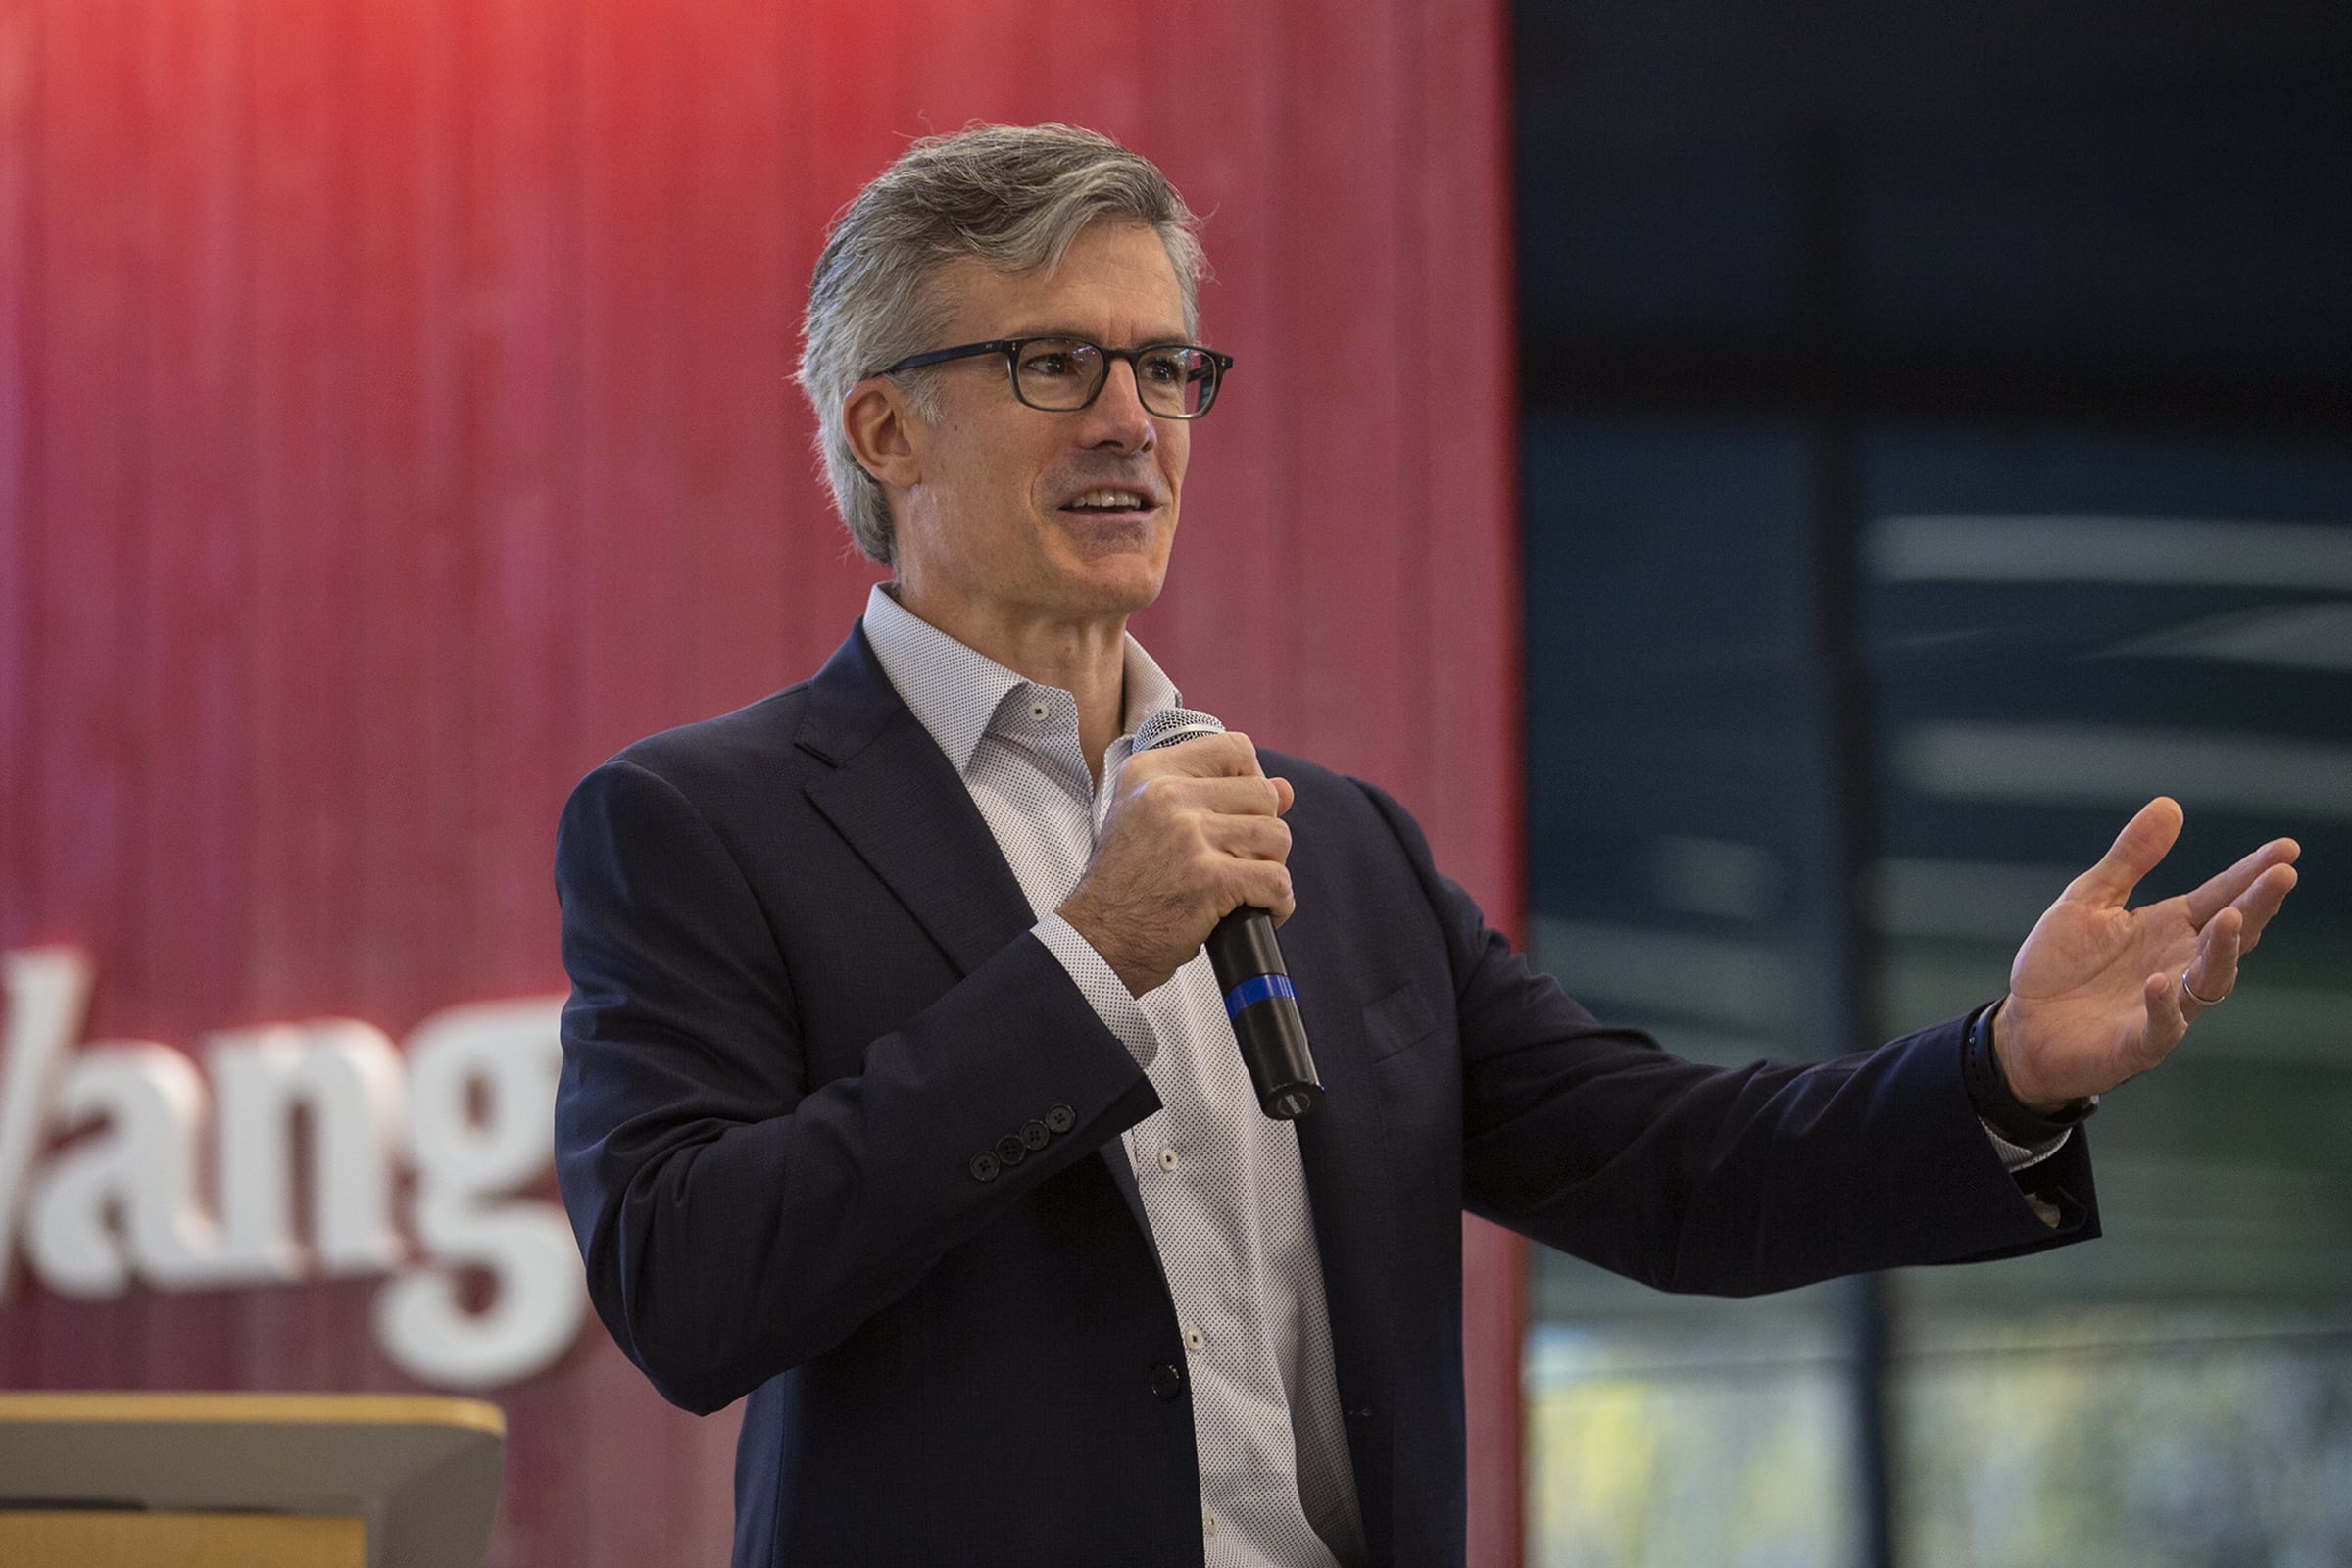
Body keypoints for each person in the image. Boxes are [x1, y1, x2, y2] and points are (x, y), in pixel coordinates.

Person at [552, 123, 2300, 1568]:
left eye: (1165, 367)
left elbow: (1670, 1171)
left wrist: (2002, 1075)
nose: (1131, 420)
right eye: (1052, 363)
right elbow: (690, 1287)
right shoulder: (701, 824)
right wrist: (1090, 959)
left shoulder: (1340, 846)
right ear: (884, 426)